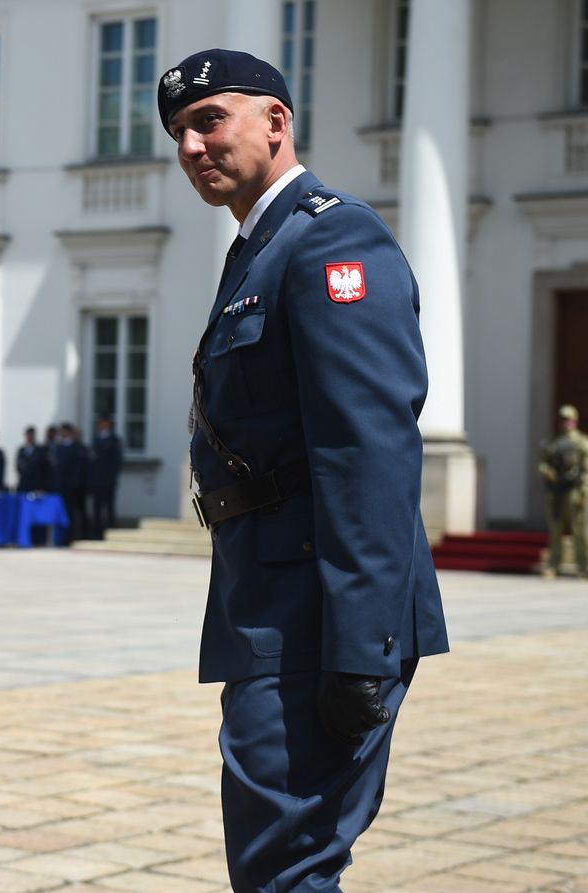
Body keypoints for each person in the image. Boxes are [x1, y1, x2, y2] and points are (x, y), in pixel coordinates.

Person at [159, 49, 449, 892]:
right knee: (277, 859)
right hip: (270, 596)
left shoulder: (331, 238)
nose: (191, 145)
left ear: (276, 123)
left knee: (286, 864)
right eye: (180, 130)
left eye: (211, 119)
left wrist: (364, 647)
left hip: (320, 614)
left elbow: (366, 451)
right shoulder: (263, 246)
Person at [537, 404, 588, 578]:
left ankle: (584, 566)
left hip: (574, 490)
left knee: (579, 530)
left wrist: (584, 491)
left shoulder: (582, 442)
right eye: (563, 419)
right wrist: (547, 471)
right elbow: (543, 463)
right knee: (555, 530)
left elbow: (586, 469)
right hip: (557, 492)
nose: (566, 422)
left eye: (569, 419)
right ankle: (553, 565)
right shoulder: (553, 443)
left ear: (575, 420)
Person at [88, 415, 123, 539]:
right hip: (97, 480)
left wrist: (112, 477)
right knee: (96, 509)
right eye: (101, 423)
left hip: (108, 480)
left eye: (105, 423)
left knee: (109, 508)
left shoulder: (114, 440)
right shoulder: (95, 439)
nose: (103, 425)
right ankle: (97, 534)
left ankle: (111, 533)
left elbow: (117, 461)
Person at [52, 422, 87, 542]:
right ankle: (62, 537)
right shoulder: (58, 447)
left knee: (72, 512)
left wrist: (75, 483)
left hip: (73, 487)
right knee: (61, 512)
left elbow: (78, 468)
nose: (61, 434)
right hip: (60, 486)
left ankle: (71, 537)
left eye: (63, 431)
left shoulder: (77, 447)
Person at [15, 426, 48, 493]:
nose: (30, 437)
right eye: (28, 435)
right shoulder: (22, 450)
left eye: (31, 435)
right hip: (24, 483)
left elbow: (43, 468)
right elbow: (18, 465)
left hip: (36, 483)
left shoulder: (41, 450)